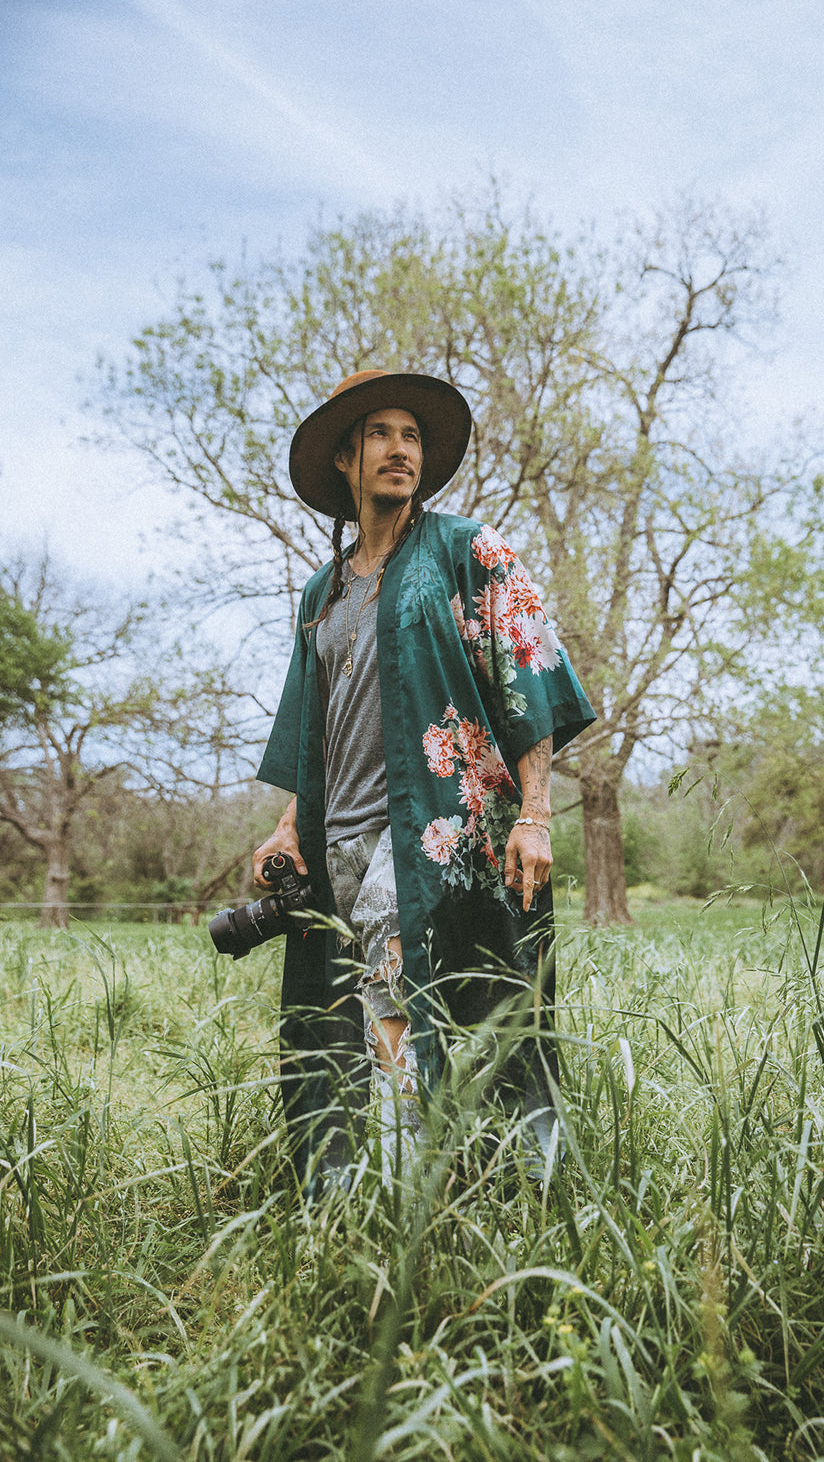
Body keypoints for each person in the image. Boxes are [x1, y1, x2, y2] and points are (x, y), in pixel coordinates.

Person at [253, 369, 594, 1193]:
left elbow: (533, 679)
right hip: (343, 832)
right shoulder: (321, 592)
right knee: (350, 1007)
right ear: (345, 458)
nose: (400, 449)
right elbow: (311, 729)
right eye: (379, 435)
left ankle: (417, 1193)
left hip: (442, 826)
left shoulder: (465, 550)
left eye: (411, 436)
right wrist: (286, 825)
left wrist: (537, 812)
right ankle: (353, 1182)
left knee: (415, 992)